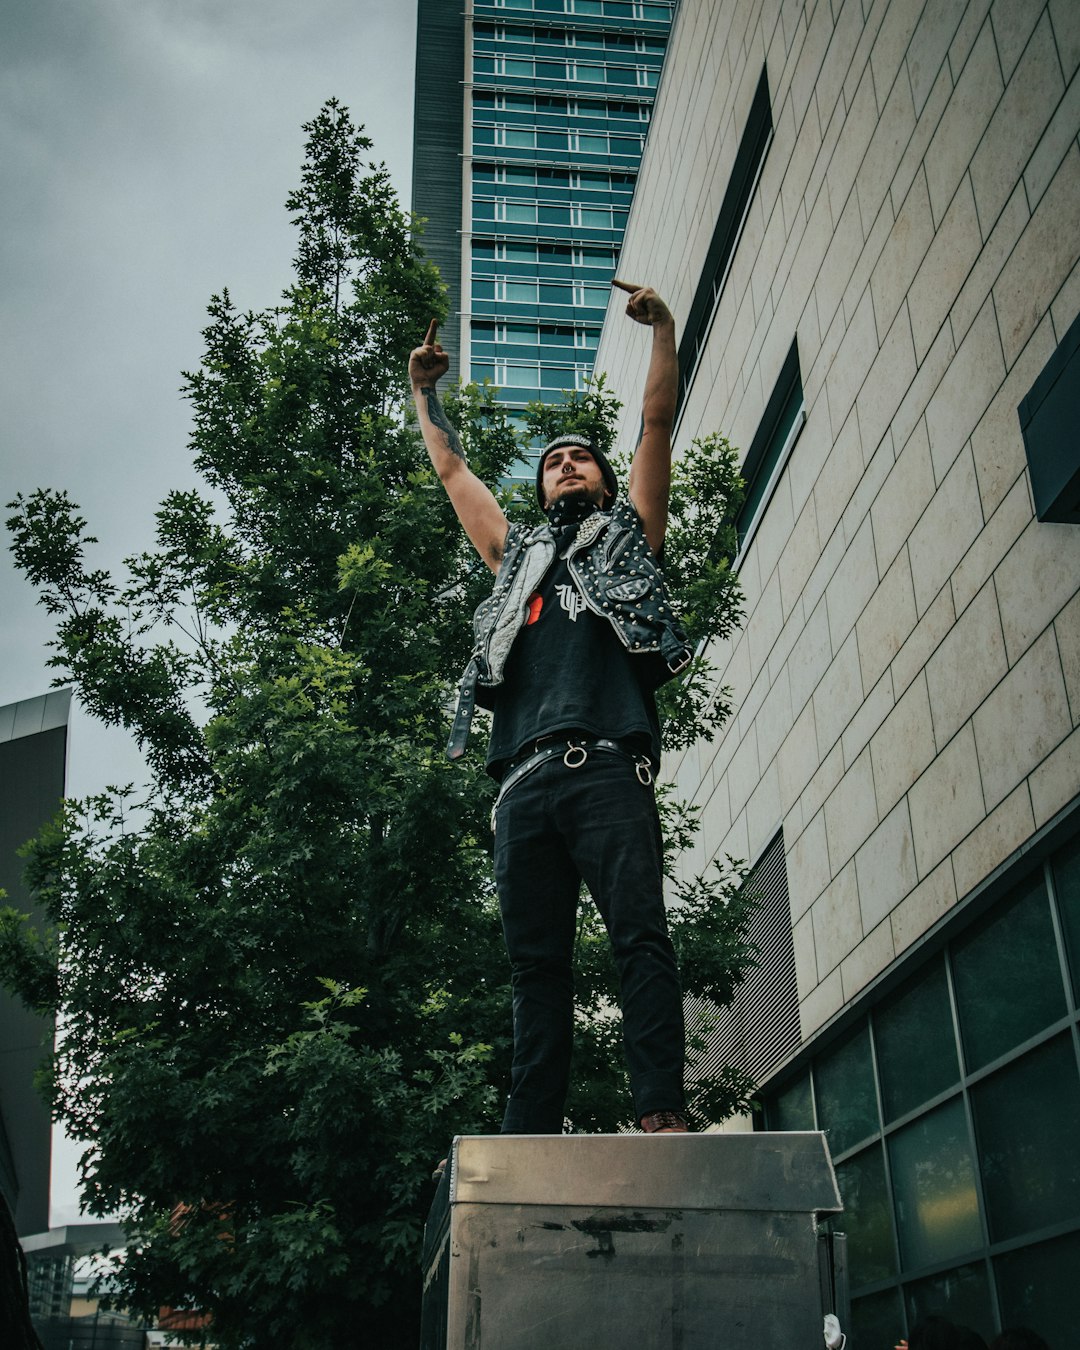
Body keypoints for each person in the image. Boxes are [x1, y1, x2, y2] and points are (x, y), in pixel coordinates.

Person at [410, 281, 693, 1135]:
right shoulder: (514, 561)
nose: (566, 463)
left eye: (580, 457)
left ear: (603, 481)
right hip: (521, 789)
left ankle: (659, 1110)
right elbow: (454, 470)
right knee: (536, 969)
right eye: (552, 461)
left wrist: (664, 332)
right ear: (539, 490)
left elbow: (653, 426)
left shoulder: (629, 539)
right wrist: (422, 393)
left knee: (638, 938)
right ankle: (526, 1133)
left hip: (604, 766)